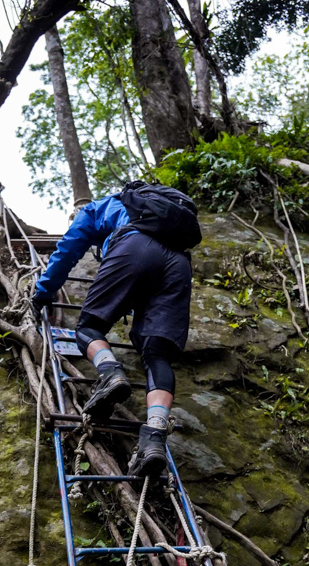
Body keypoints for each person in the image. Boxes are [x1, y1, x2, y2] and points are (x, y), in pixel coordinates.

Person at [32, 183, 201, 477]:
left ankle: (110, 374)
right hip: (179, 265)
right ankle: (154, 438)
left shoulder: (100, 207)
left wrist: (43, 293)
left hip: (135, 249)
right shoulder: (168, 217)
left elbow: (68, 249)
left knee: (89, 328)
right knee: (157, 355)